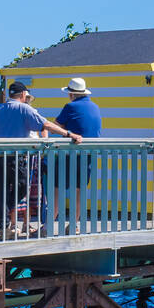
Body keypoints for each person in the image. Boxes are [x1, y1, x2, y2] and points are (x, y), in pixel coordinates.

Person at [0, 81, 81, 237]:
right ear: (23, 94)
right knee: (22, 187)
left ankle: (0, 223)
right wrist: (69, 134)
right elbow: (46, 125)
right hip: (17, 157)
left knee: (1, 190)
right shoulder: (24, 109)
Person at [54, 77, 102, 232]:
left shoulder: (70, 106)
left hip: (71, 154)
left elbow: (56, 126)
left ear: (71, 94)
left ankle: (49, 224)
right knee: (80, 189)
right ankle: (73, 223)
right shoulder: (95, 107)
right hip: (88, 154)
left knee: (57, 186)